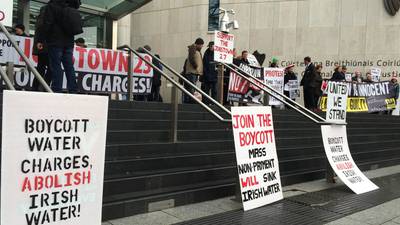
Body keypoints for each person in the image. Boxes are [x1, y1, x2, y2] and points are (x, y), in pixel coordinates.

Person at [36, 0, 81, 93]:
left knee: (56, 66)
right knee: (69, 66)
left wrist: (41, 39)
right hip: (69, 42)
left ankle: (57, 89)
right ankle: (73, 89)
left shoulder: (52, 6)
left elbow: (47, 24)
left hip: (55, 41)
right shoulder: (71, 5)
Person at [32, 5, 52, 91]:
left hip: (42, 45)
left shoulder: (41, 18)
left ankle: (36, 87)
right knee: (50, 68)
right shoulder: (46, 18)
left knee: (41, 67)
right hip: (46, 45)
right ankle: (43, 87)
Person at [183, 38, 204, 104]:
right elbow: (191, 58)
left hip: (194, 72)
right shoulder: (193, 48)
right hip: (192, 72)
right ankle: (191, 101)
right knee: (191, 87)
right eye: (201, 45)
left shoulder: (195, 49)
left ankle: (191, 100)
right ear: (198, 44)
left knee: (192, 87)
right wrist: (195, 66)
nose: (201, 46)